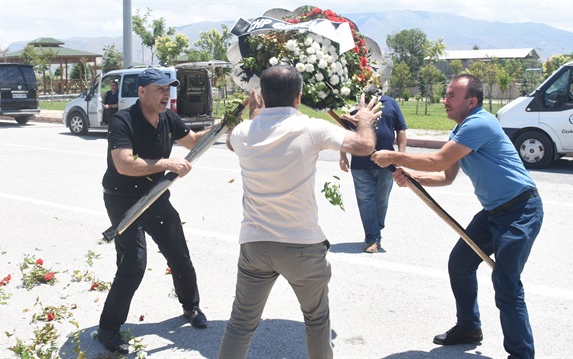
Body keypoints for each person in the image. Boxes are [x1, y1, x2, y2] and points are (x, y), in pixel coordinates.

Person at [372, 74, 543, 359]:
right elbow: (445, 175)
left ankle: (522, 354)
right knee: (460, 263)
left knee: (506, 283)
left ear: (471, 101)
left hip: (520, 211)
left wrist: (395, 156)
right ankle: (469, 328)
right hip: (492, 214)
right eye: (446, 93)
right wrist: (413, 178)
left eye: (452, 95)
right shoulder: (460, 131)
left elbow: (438, 160)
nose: (444, 100)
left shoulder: (480, 123)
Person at [218, 65, 382, 359]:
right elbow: (365, 145)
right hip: (301, 246)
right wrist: (365, 121)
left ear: (263, 96)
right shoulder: (311, 127)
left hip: (254, 246)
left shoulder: (243, 133)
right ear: (299, 96)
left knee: (241, 325)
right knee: (317, 321)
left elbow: (234, 140)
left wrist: (254, 116)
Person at [98, 68, 210, 354]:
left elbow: (193, 141)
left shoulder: (168, 118)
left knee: (179, 253)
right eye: (160, 89)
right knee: (133, 263)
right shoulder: (123, 121)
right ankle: (108, 329)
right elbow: (124, 164)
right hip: (123, 199)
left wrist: (227, 126)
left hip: (156, 196)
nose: (166, 95)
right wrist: (166, 163)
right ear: (142, 91)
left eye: (168, 89)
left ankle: (191, 308)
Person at [339, 86, 408, 253]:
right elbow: (344, 132)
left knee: (382, 200)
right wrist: (343, 156)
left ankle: (376, 230)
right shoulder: (355, 106)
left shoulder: (391, 104)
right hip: (360, 164)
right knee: (365, 201)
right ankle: (372, 238)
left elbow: (401, 129)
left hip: (387, 164)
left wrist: (401, 156)